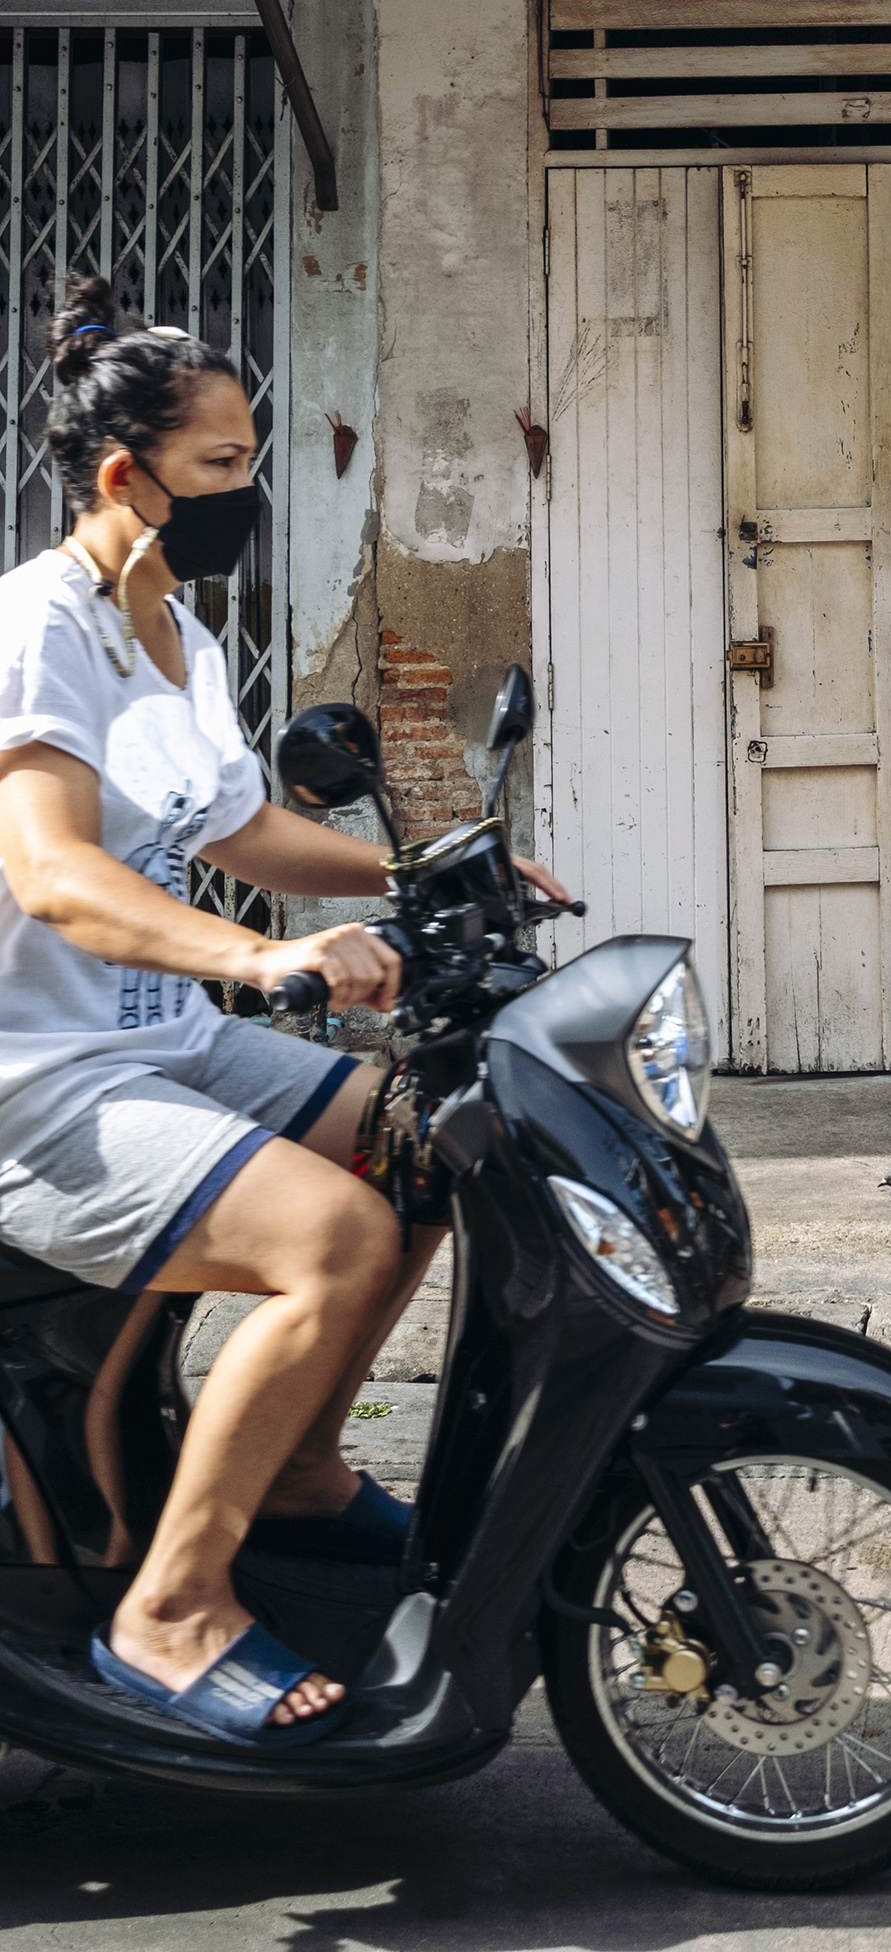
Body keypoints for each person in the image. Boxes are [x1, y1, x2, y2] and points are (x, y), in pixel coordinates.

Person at [0, 274, 569, 1744]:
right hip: (39, 1069)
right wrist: (258, 961)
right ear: (125, 477)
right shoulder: (41, 629)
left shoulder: (173, 628)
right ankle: (171, 1606)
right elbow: (55, 875)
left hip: (153, 1037)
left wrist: (432, 870)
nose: (245, 496)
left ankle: (304, 1473)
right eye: (223, 470)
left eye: (250, 463)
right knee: (337, 1239)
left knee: (432, 1140)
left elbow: (243, 830)